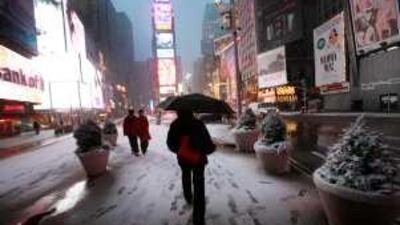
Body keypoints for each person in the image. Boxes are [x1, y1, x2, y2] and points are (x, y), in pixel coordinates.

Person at [167, 110, 216, 225]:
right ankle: (198, 218)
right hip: (198, 160)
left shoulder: (175, 125)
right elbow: (207, 143)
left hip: (183, 158)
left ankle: (188, 196)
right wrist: (211, 148)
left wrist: (180, 150)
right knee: (199, 186)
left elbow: (170, 143)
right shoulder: (198, 124)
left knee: (185, 175)